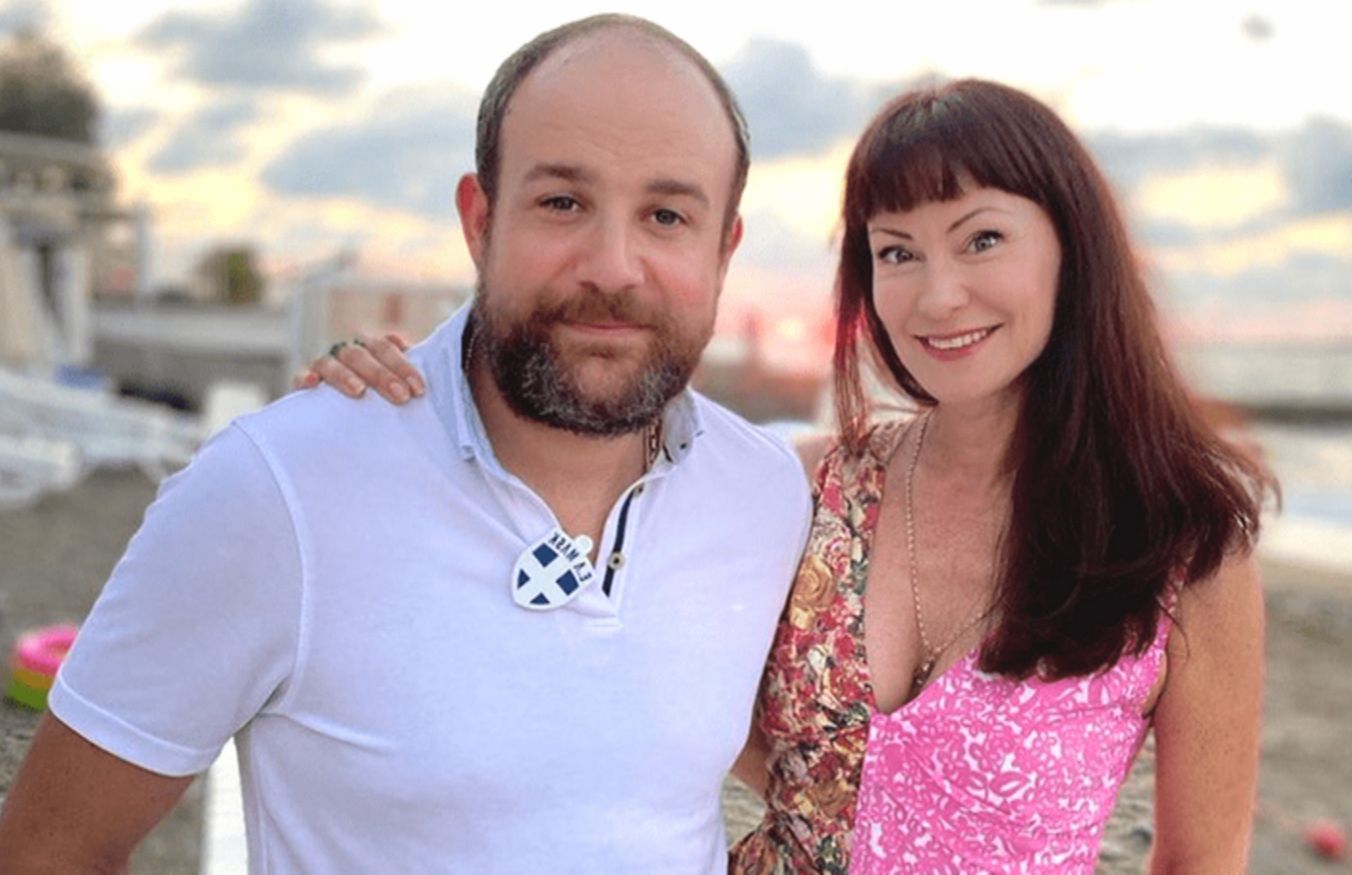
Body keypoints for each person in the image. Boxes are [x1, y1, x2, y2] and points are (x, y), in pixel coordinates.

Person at [317, 81, 1271, 873]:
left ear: (1071, 248)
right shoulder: (803, 484)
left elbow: (1199, 861)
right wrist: (412, 395)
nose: (937, 294)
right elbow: (566, 474)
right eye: (896, 252)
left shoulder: (1185, 551)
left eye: (980, 239)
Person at [0, 16, 813, 874]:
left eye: (667, 214)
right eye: (562, 203)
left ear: (723, 249)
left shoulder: (766, 496)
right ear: (479, 220)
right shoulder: (277, 490)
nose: (613, 265)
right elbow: (50, 850)